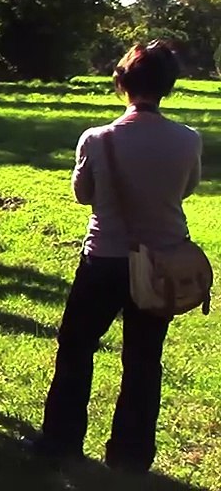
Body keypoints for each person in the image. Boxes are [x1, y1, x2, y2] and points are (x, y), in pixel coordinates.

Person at [30, 41, 201, 474]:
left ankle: (61, 440)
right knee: (144, 359)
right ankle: (131, 452)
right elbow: (186, 190)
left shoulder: (98, 138)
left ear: (120, 83)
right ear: (168, 86)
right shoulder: (188, 140)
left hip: (105, 257)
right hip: (161, 259)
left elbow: (83, 194)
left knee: (76, 347)